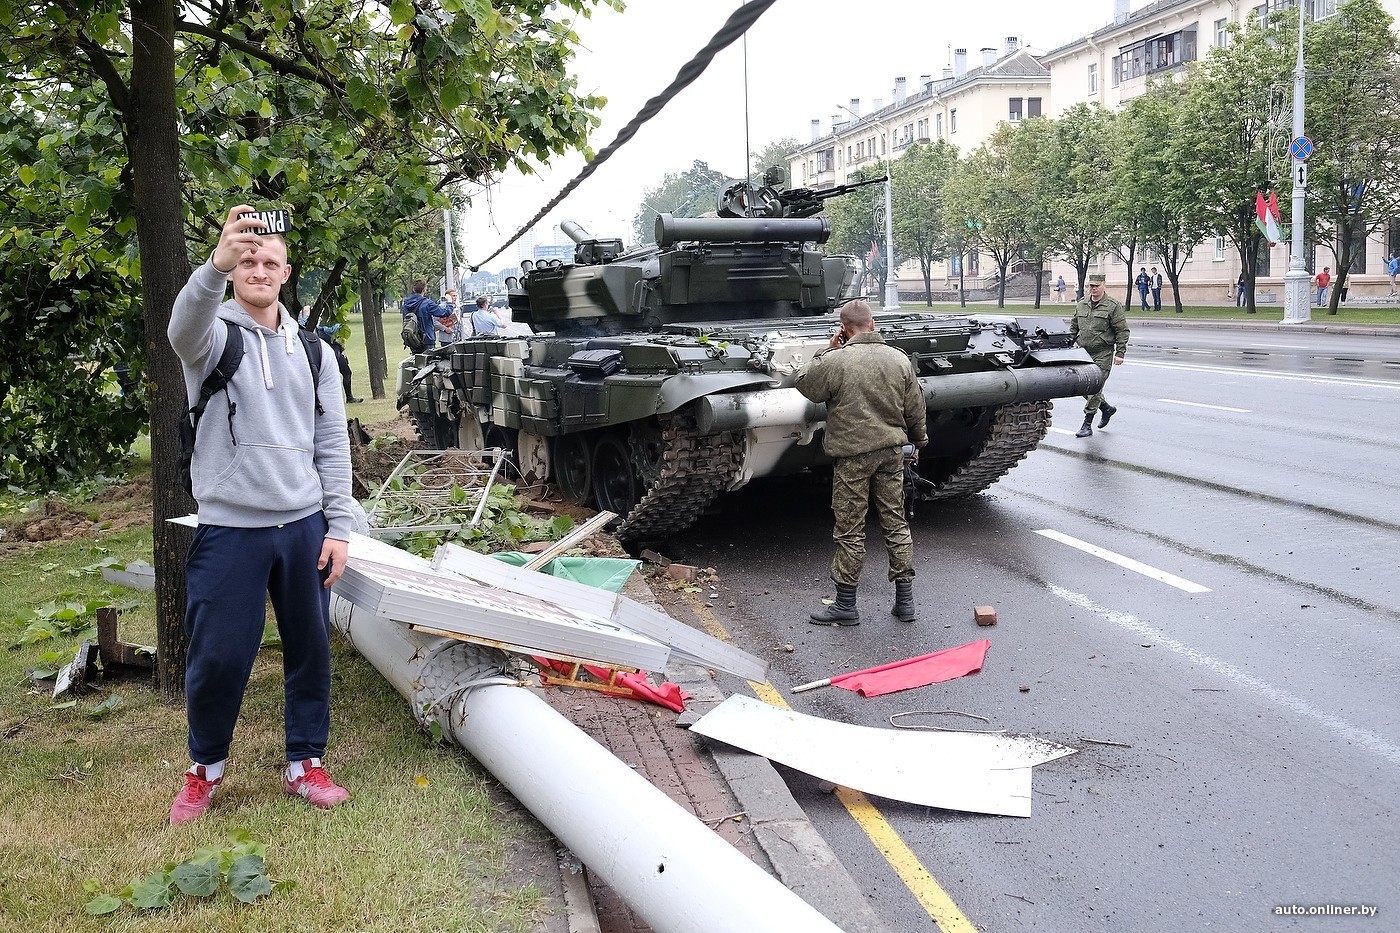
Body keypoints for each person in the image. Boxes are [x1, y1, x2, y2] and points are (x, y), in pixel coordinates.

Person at [166, 205, 355, 824]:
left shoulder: (315, 352)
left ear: (285, 273)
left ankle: (305, 763)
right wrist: (214, 266)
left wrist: (340, 528)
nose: (258, 268)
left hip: (302, 526)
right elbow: (180, 331)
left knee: (310, 648)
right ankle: (204, 771)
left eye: (269, 261)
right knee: (219, 654)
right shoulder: (214, 339)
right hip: (230, 528)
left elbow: (331, 444)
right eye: (248, 259)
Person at [795, 300, 928, 626]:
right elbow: (915, 408)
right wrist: (919, 441)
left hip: (853, 458)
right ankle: (905, 602)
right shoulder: (898, 360)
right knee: (895, 523)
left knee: (850, 529)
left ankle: (845, 605)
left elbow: (805, 384)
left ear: (843, 329)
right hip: (891, 453)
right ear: (872, 324)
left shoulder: (836, 361)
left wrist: (825, 352)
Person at [1070, 273, 1129, 438]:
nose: (1093, 289)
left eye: (1096, 286)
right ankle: (1106, 408)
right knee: (1084, 387)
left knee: (1095, 386)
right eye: (1091, 286)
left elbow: (1122, 331)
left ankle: (1087, 424)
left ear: (1104, 285)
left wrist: (1120, 353)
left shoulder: (1113, 306)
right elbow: (1074, 327)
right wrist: (1067, 345)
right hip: (1083, 353)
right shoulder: (1081, 304)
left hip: (1103, 353)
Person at [301, 306, 362, 404]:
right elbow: (331, 330)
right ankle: (344, 398)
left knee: (346, 373)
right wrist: (307, 316)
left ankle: (349, 397)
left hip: (334, 349)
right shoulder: (320, 321)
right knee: (329, 376)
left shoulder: (320, 321)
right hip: (329, 350)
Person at [403, 279, 453, 349]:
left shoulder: (406, 303)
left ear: (413, 289)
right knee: (428, 359)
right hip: (427, 339)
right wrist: (449, 302)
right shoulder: (427, 303)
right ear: (424, 289)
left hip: (413, 338)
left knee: (417, 359)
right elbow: (445, 312)